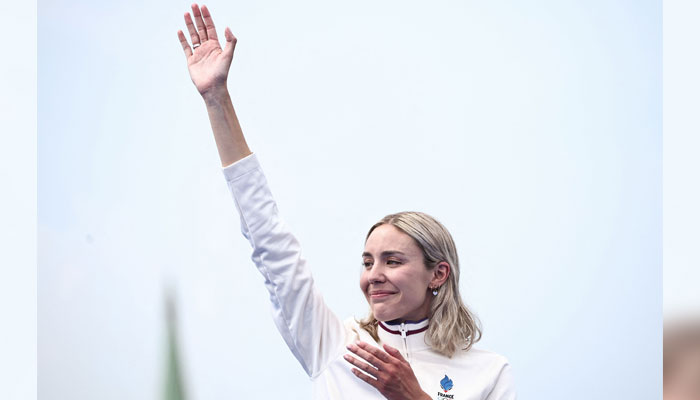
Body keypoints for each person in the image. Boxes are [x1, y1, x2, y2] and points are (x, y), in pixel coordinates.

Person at [177, 4, 516, 399]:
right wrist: (217, 99)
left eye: (393, 260)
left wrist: (413, 395)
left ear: (438, 274)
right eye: (368, 261)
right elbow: (270, 243)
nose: (374, 275)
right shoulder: (333, 345)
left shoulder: (489, 371)